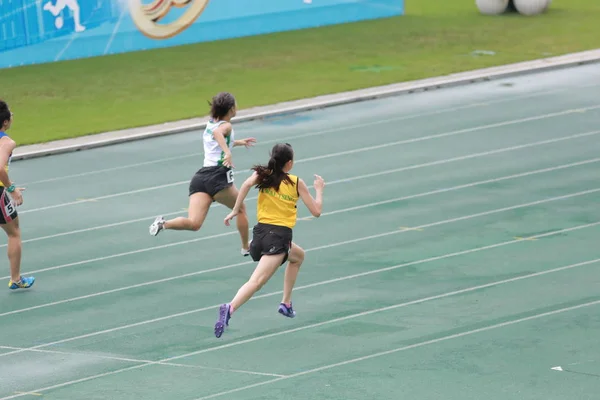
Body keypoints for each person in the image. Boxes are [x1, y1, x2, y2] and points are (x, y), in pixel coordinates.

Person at [214, 142, 325, 338]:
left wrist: (235, 209)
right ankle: (229, 308)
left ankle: (286, 303)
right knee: (256, 282)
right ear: (289, 163)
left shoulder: (262, 175)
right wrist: (319, 189)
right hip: (278, 238)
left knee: (298, 256)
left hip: (260, 235)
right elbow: (316, 212)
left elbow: (246, 185)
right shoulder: (295, 182)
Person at [149, 92, 256, 256]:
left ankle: (164, 224)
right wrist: (228, 153)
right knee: (240, 209)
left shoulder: (210, 123)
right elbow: (219, 135)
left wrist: (238, 143)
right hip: (217, 177)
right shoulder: (226, 126)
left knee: (194, 223)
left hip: (200, 179)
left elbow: (217, 140)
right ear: (231, 109)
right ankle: (245, 247)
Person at [0, 100, 34, 290]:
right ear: (5, 122)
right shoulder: (6, 142)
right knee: (14, 233)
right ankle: (16, 279)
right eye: (10, 114)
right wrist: (11, 189)